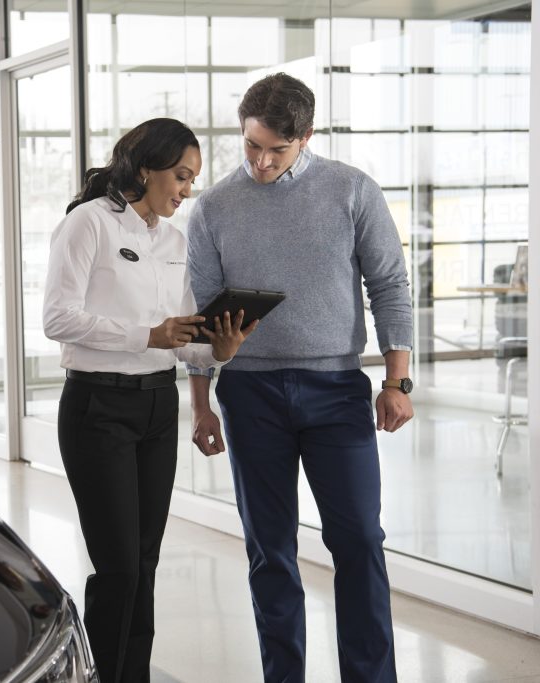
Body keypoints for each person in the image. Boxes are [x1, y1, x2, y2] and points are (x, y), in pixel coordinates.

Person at [186, 73, 414, 682]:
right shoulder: (213, 208)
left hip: (336, 389)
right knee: (270, 550)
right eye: (251, 145)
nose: (260, 161)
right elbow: (203, 315)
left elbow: (390, 285)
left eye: (276, 149)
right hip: (249, 393)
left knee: (359, 539)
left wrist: (397, 381)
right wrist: (201, 404)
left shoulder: (352, 190)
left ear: (306, 136)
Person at [42, 117, 258, 683]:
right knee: (118, 567)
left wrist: (220, 350)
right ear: (145, 169)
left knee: (145, 561)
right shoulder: (87, 223)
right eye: (181, 176)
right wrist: (147, 335)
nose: (187, 191)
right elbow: (57, 318)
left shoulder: (173, 242)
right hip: (98, 408)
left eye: (192, 180)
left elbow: (182, 340)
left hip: (159, 407)